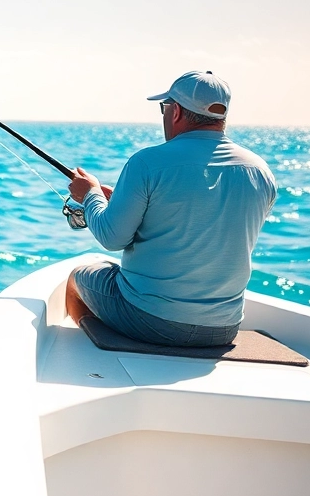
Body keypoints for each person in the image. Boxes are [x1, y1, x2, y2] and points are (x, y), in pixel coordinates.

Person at [64, 70, 277, 347]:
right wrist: (125, 199)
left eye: (164, 107)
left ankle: (98, 357)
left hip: (148, 320)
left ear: (175, 111)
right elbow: (209, 216)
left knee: (74, 280)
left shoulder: (146, 163)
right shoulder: (260, 170)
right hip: (224, 328)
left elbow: (111, 238)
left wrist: (90, 194)